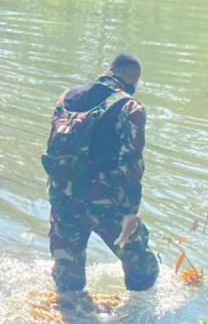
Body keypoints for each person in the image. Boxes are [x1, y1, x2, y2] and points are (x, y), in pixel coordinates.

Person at [43, 54, 159, 293]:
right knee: (143, 271)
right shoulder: (130, 106)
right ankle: (137, 316)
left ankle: (70, 312)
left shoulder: (66, 97)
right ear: (132, 82)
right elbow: (131, 166)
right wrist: (130, 214)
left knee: (67, 278)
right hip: (104, 202)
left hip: (62, 197)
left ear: (108, 70)